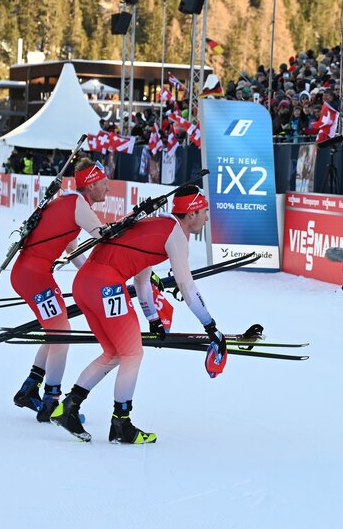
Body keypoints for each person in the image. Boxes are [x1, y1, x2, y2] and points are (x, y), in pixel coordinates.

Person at [51, 186, 223, 444]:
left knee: (115, 353)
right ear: (191, 213)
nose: (207, 218)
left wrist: (153, 319)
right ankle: (121, 424)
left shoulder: (158, 225)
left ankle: (68, 408)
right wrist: (211, 327)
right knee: (132, 353)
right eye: (204, 212)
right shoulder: (175, 235)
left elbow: (143, 281)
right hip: (105, 286)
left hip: (85, 283)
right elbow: (186, 286)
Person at [9, 158, 108, 421]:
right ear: (92, 184)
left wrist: (92, 275)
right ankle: (51, 402)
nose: (107, 189)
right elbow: (105, 238)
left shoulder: (69, 202)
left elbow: (73, 249)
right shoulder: (78, 205)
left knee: (56, 332)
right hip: (35, 277)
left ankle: (31, 387)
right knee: (61, 334)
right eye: (104, 184)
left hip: (31, 275)